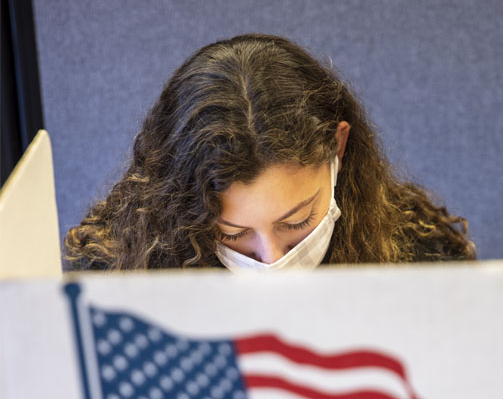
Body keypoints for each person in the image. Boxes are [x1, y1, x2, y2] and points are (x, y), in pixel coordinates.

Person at [64, 33, 475, 272]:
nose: (272, 261)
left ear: (338, 148)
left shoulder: (424, 263)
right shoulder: (113, 276)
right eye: (233, 234)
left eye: (297, 222)